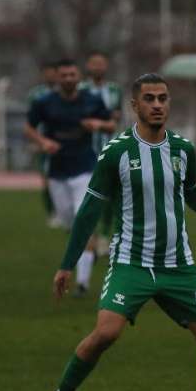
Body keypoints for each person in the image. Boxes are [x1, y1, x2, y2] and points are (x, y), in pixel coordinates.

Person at [32, 73, 196, 391]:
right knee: (106, 334)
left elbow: (193, 192)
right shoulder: (117, 153)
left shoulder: (183, 149)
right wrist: (67, 264)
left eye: (163, 98)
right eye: (149, 99)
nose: (157, 105)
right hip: (131, 262)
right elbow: (89, 210)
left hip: (178, 265)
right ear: (134, 106)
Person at [24, 59, 116, 295]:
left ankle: (82, 283)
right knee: (70, 224)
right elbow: (28, 128)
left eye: (72, 74)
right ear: (57, 77)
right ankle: (91, 251)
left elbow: (111, 124)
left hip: (85, 169)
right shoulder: (45, 103)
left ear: (78, 76)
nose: (68, 79)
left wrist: (98, 124)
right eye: (63, 75)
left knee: (82, 220)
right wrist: (43, 141)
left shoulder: (92, 101)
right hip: (57, 172)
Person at [79, 51, 122, 256]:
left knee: (110, 194)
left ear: (106, 66)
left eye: (101, 63)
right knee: (88, 195)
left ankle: (105, 235)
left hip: (109, 147)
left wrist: (99, 122)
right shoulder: (81, 89)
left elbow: (117, 116)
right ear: (88, 66)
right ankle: (90, 237)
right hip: (84, 150)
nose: (97, 67)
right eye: (93, 63)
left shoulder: (114, 89)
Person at [27, 61, 60, 227]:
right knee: (47, 179)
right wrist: (35, 141)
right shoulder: (36, 94)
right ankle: (51, 213)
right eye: (47, 73)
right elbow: (30, 121)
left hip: (64, 142)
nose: (50, 76)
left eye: (53, 73)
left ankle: (64, 211)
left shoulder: (66, 93)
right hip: (44, 142)